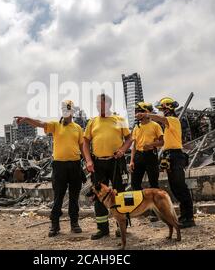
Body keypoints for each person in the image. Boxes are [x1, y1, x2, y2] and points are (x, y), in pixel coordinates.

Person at [15, 100, 85, 237]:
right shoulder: (55, 125)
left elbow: (82, 146)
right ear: (62, 111)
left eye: (69, 111)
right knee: (58, 196)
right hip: (59, 166)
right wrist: (27, 119)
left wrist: (87, 161)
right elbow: (40, 123)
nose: (67, 113)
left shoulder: (77, 128)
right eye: (65, 110)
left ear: (72, 112)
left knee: (74, 197)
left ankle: (74, 223)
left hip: (75, 165)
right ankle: (55, 224)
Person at [136, 97, 196, 228]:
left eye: (162, 109)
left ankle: (189, 217)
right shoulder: (168, 125)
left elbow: (161, 119)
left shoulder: (173, 120)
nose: (161, 112)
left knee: (180, 186)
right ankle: (184, 215)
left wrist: (146, 114)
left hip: (176, 155)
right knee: (175, 187)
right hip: (170, 156)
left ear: (168, 109)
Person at [82, 93, 133, 240]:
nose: (99, 106)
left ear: (109, 104)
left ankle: (121, 227)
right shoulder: (92, 122)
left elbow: (129, 138)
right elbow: (85, 143)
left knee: (120, 194)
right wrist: (88, 161)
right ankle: (102, 229)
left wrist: (123, 150)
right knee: (99, 196)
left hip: (117, 162)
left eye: (102, 104)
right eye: (97, 104)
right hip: (98, 163)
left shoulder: (120, 119)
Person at [130, 102, 164, 222]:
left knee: (153, 184)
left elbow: (162, 142)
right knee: (135, 183)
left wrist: (151, 145)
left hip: (151, 156)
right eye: (136, 111)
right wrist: (131, 161)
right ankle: (141, 209)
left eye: (139, 111)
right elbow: (134, 145)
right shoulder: (136, 127)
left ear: (146, 112)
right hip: (138, 156)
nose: (136, 114)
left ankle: (156, 212)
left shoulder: (155, 125)